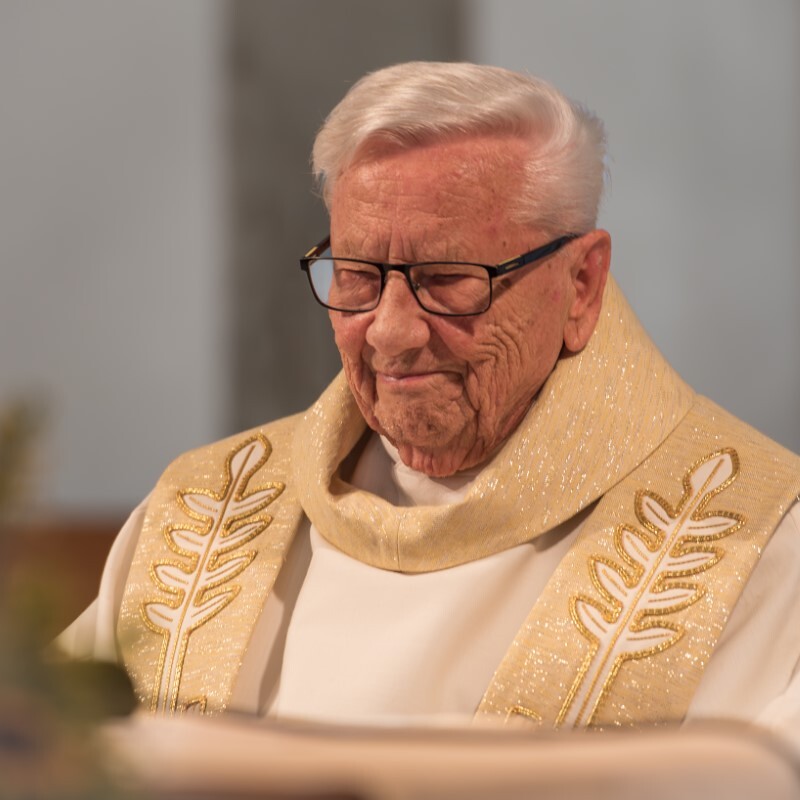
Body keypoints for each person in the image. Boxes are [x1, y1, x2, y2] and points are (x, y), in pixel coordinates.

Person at [59, 62, 800, 736]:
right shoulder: (199, 518)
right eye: (357, 274)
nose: (390, 331)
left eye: (447, 279)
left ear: (581, 284)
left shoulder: (763, 550)